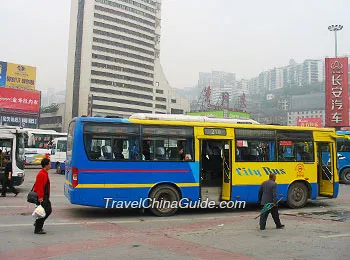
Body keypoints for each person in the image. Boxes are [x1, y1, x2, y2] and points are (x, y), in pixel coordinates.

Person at [33, 158, 52, 234]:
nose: (50, 165)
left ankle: (38, 224)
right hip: (42, 196)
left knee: (47, 211)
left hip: (45, 196)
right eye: (49, 164)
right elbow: (40, 187)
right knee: (45, 211)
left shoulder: (44, 173)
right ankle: (38, 228)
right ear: (46, 165)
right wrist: (40, 198)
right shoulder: (41, 174)